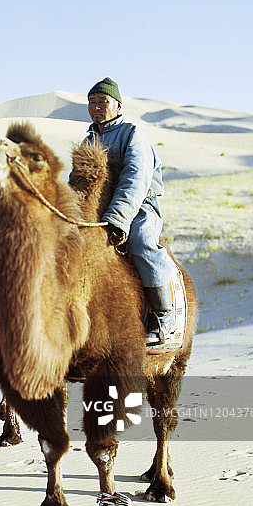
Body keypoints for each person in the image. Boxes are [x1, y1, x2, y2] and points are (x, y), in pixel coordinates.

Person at [82, 77, 176, 345]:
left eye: (103, 101)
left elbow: (135, 179)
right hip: (98, 210)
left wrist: (117, 219)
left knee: (141, 243)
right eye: (92, 102)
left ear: (118, 106)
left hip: (139, 207)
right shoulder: (88, 140)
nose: (96, 107)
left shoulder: (132, 134)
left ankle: (162, 317)